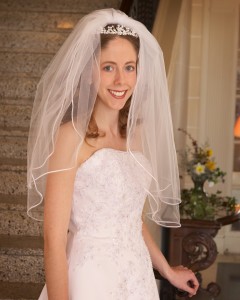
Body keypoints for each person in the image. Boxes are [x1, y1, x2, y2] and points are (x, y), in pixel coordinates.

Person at [27, 8, 199, 300]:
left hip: (138, 278)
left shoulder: (138, 135)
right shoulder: (71, 137)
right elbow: (53, 242)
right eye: (109, 67)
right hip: (89, 278)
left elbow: (130, 221)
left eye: (129, 67)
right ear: (90, 71)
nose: (121, 80)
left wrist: (167, 271)